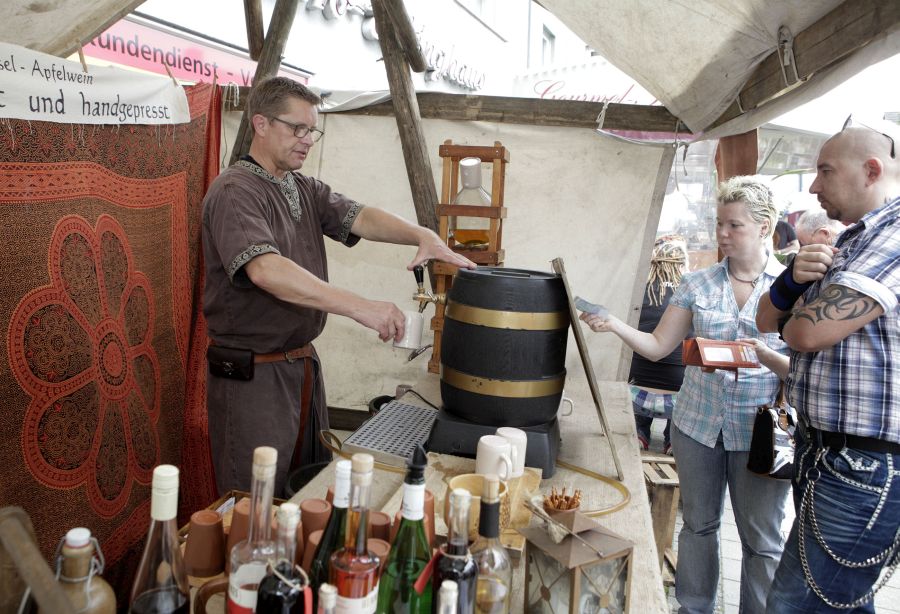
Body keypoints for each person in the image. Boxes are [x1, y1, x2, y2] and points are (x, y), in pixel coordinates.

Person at [202, 77, 475, 495]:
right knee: (253, 502)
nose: (307, 139)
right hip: (254, 378)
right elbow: (265, 270)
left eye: (313, 130)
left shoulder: (302, 187)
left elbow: (360, 216)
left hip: (301, 370)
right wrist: (360, 307)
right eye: (297, 128)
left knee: (306, 492)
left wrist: (423, 235)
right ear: (260, 123)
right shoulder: (235, 191)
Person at [581, 176, 790, 614]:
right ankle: (693, 608)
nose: (722, 234)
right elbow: (659, 345)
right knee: (698, 526)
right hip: (697, 425)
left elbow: (806, 371)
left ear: (765, 227)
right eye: (719, 223)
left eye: (734, 225)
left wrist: (765, 356)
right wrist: (614, 324)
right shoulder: (697, 283)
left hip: (761, 433)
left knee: (762, 541)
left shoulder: (791, 289)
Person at [757, 118, 900, 612]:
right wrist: (793, 281)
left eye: (825, 170)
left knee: (793, 604)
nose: (814, 186)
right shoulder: (855, 239)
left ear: (871, 170)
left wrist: (797, 315)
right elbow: (764, 318)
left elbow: (806, 333)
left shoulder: (894, 233)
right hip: (831, 454)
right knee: (838, 601)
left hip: (861, 463)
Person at [628, 235, 691, 455]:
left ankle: (639, 431)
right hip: (677, 396)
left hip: (635, 391)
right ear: (683, 264)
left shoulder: (637, 290)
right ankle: (672, 438)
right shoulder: (692, 293)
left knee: (638, 360)